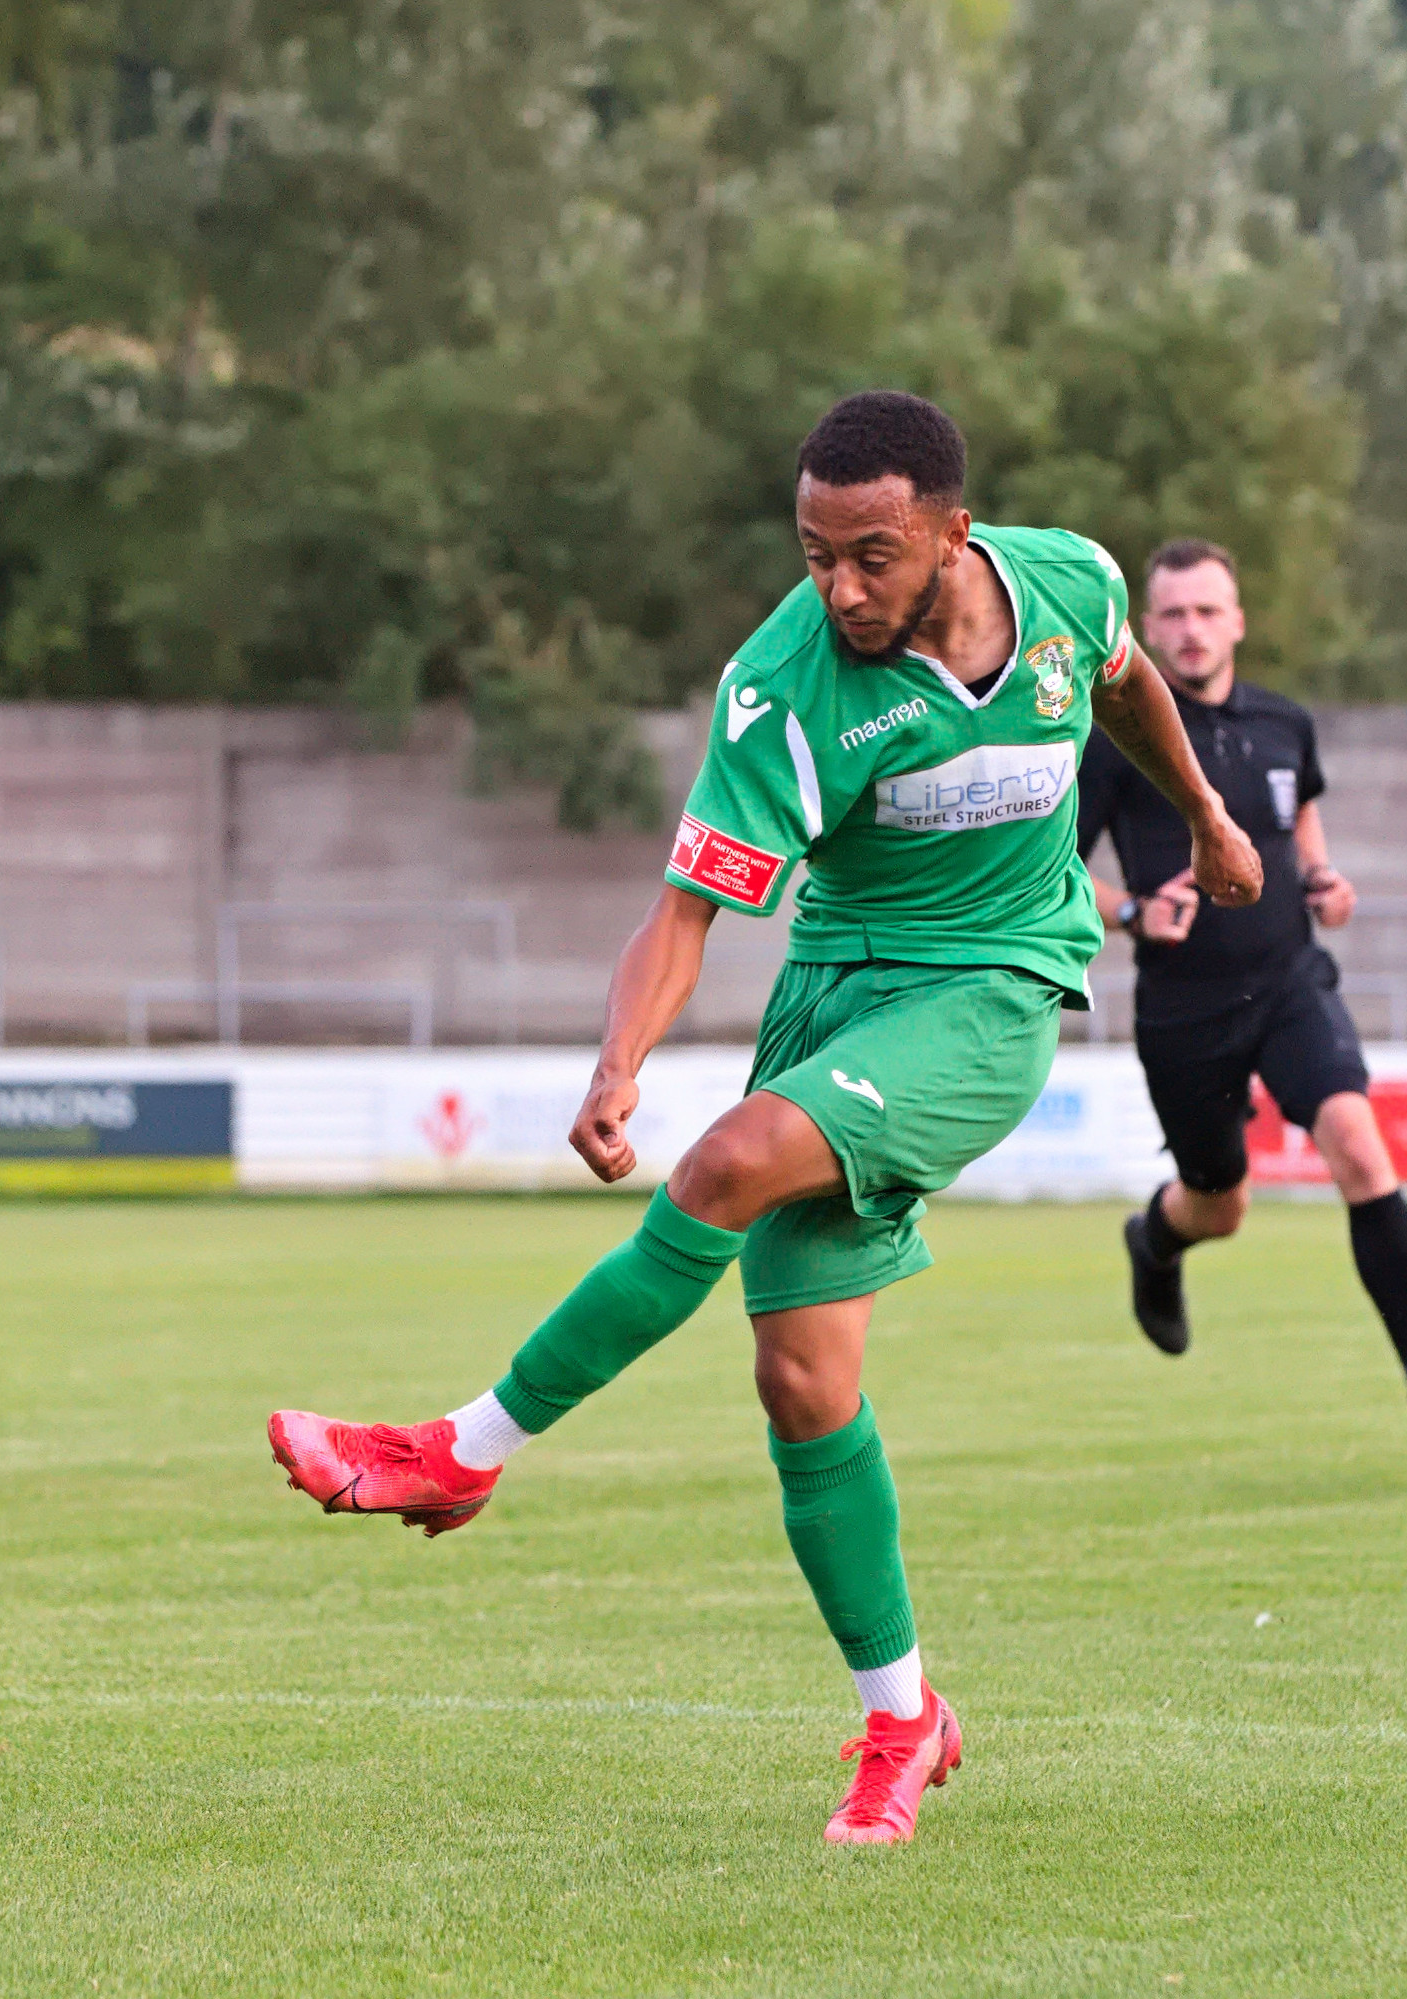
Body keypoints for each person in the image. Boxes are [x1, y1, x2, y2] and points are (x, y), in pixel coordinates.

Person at [266, 390, 1265, 1845]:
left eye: (870, 555)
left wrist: (1206, 817)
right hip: (837, 1002)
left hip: (994, 992)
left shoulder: (1069, 579)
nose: (839, 587)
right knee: (804, 1387)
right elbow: (683, 914)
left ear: (951, 534)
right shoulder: (783, 686)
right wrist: (619, 1063)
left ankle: (460, 1447)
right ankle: (905, 1721)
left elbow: (1122, 686)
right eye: (814, 555)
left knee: (728, 1162)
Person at [1083, 541, 1407, 1461]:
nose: (1190, 631)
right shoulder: (1118, 737)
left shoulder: (1284, 723)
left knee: (1357, 1139)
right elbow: (1054, 874)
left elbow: (1299, 815)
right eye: (1173, 615)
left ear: (1237, 621)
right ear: (1147, 629)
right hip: (1184, 1009)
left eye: (1206, 612)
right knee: (1220, 1206)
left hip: (1287, 983)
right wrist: (1133, 912)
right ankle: (1155, 1240)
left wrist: (1323, 877)